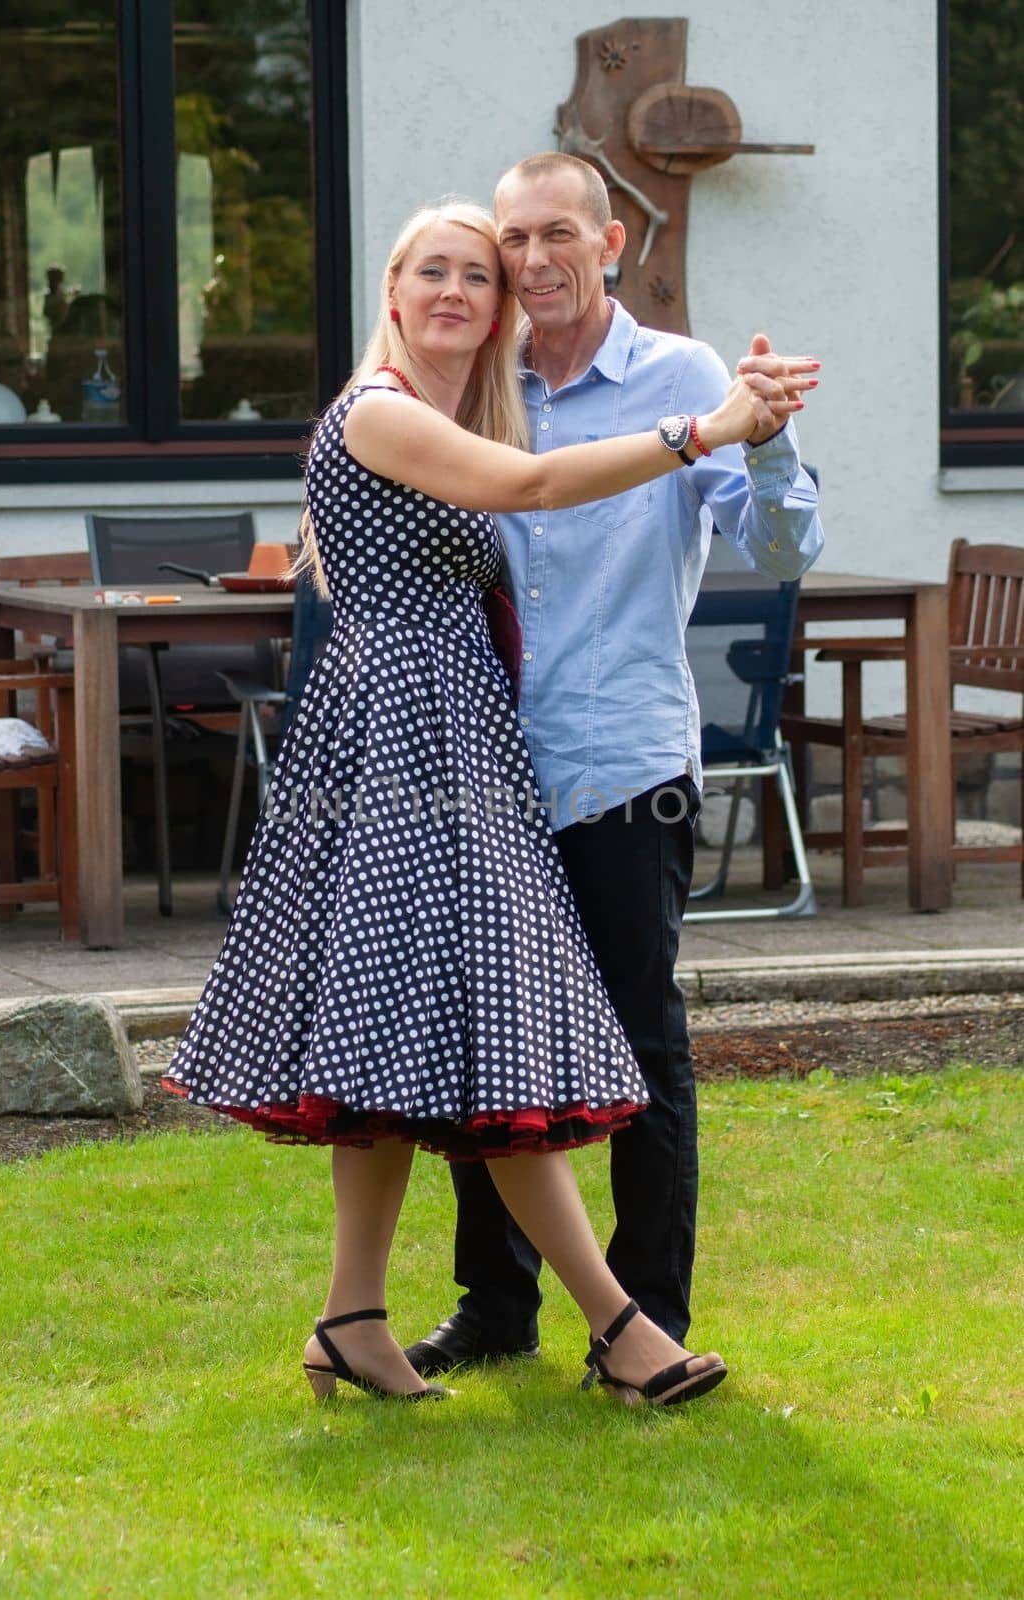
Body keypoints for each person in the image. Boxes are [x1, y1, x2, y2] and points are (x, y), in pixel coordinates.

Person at [163, 198, 813, 1408]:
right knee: (489, 1034)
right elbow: (536, 482)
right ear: (394, 293)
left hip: (449, 739)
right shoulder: (381, 413)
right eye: (435, 271)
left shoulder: (439, 410)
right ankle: (619, 1326)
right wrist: (706, 428)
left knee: (401, 1033)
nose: (459, 290)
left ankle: (355, 1315)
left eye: (479, 274)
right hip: (410, 747)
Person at [405, 156, 825, 1378]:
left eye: (555, 236)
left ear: (611, 242)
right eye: (511, 237)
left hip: (617, 764)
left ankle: (649, 1320)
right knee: (488, 1043)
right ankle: (494, 1306)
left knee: (641, 1041)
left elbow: (782, 547)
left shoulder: (683, 379)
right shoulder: (475, 385)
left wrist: (767, 442)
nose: (530, 260)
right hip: (481, 770)